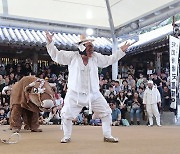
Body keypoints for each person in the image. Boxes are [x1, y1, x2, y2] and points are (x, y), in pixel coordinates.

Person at [46, 32, 130, 143]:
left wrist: (121, 51)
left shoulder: (95, 57)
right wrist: (50, 42)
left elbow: (109, 59)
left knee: (106, 112)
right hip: (74, 94)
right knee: (66, 115)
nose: (91, 49)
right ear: (81, 46)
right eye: (89, 46)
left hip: (94, 94)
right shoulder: (72, 56)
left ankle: (107, 135)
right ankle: (66, 136)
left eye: (92, 46)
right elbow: (56, 55)